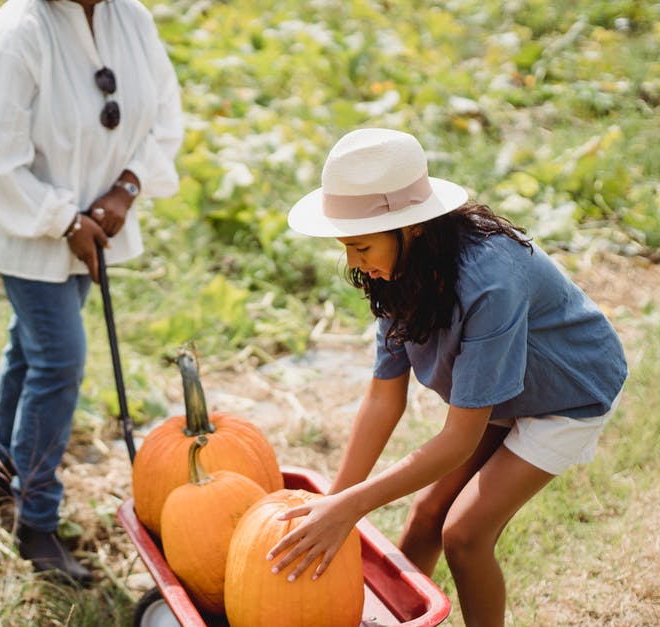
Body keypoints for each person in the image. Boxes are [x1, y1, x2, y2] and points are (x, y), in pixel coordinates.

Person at [267, 128, 627, 625]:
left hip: (565, 392)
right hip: (502, 392)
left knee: (464, 535)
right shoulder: (395, 270)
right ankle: (396, 620)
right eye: (346, 247)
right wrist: (336, 502)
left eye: (361, 247)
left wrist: (351, 506)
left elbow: (459, 438)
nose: (353, 263)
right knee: (424, 518)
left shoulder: (491, 278)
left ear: (411, 226)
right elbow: (383, 399)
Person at [0, 0, 183, 584]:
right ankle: (37, 520)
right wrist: (66, 223)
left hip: (97, 221)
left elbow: (162, 113)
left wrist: (125, 190)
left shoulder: (129, 18)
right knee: (59, 357)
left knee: (32, 348)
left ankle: (1, 463)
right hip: (26, 227)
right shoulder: (19, 34)